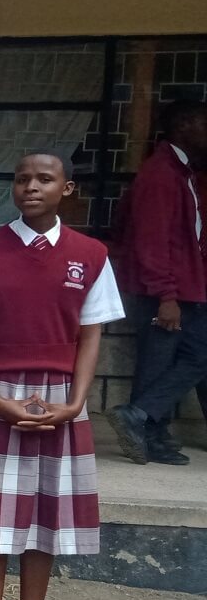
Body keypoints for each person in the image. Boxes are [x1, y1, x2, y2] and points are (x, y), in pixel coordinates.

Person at [0, 151, 123, 600]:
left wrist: (77, 403)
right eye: (22, 178)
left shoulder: (91, 254)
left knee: (44, 522)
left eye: (44, 179)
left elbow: (91, 333)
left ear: (67, 189)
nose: (31, 186)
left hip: (61, 400)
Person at [107, 100, 207, 466]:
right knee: (163, 363)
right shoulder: (161, 174)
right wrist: (166, 295)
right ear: (185, 123)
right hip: (162, 292)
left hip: (182, 290)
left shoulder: (183, 172)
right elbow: (151, 241)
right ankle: (144, 424)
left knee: (183, 359)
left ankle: (146, 424)